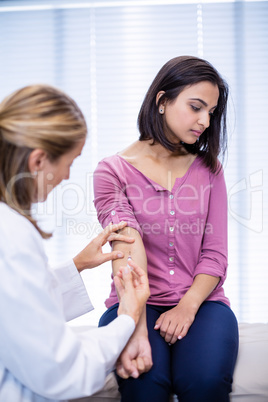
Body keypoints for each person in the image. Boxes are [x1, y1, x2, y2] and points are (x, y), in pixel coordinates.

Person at [93, 55, 239, 402]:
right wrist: (135, 323)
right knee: (145, 384)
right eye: (196, 107)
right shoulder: (112, 172)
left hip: (203, 304)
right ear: (162, 101)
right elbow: (126, 248)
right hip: (132, 304)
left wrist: (187, 306)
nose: (205, 120)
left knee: (203, 383)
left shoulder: (209, 169)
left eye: (211, 112)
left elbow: (215, 254)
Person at [0, 84, 150, 402]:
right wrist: (128, 315)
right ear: (39, 161)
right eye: (70, 161)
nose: (68, 175)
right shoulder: (12, 237)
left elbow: (17, 308)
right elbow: (61, 371)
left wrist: (77, 265)